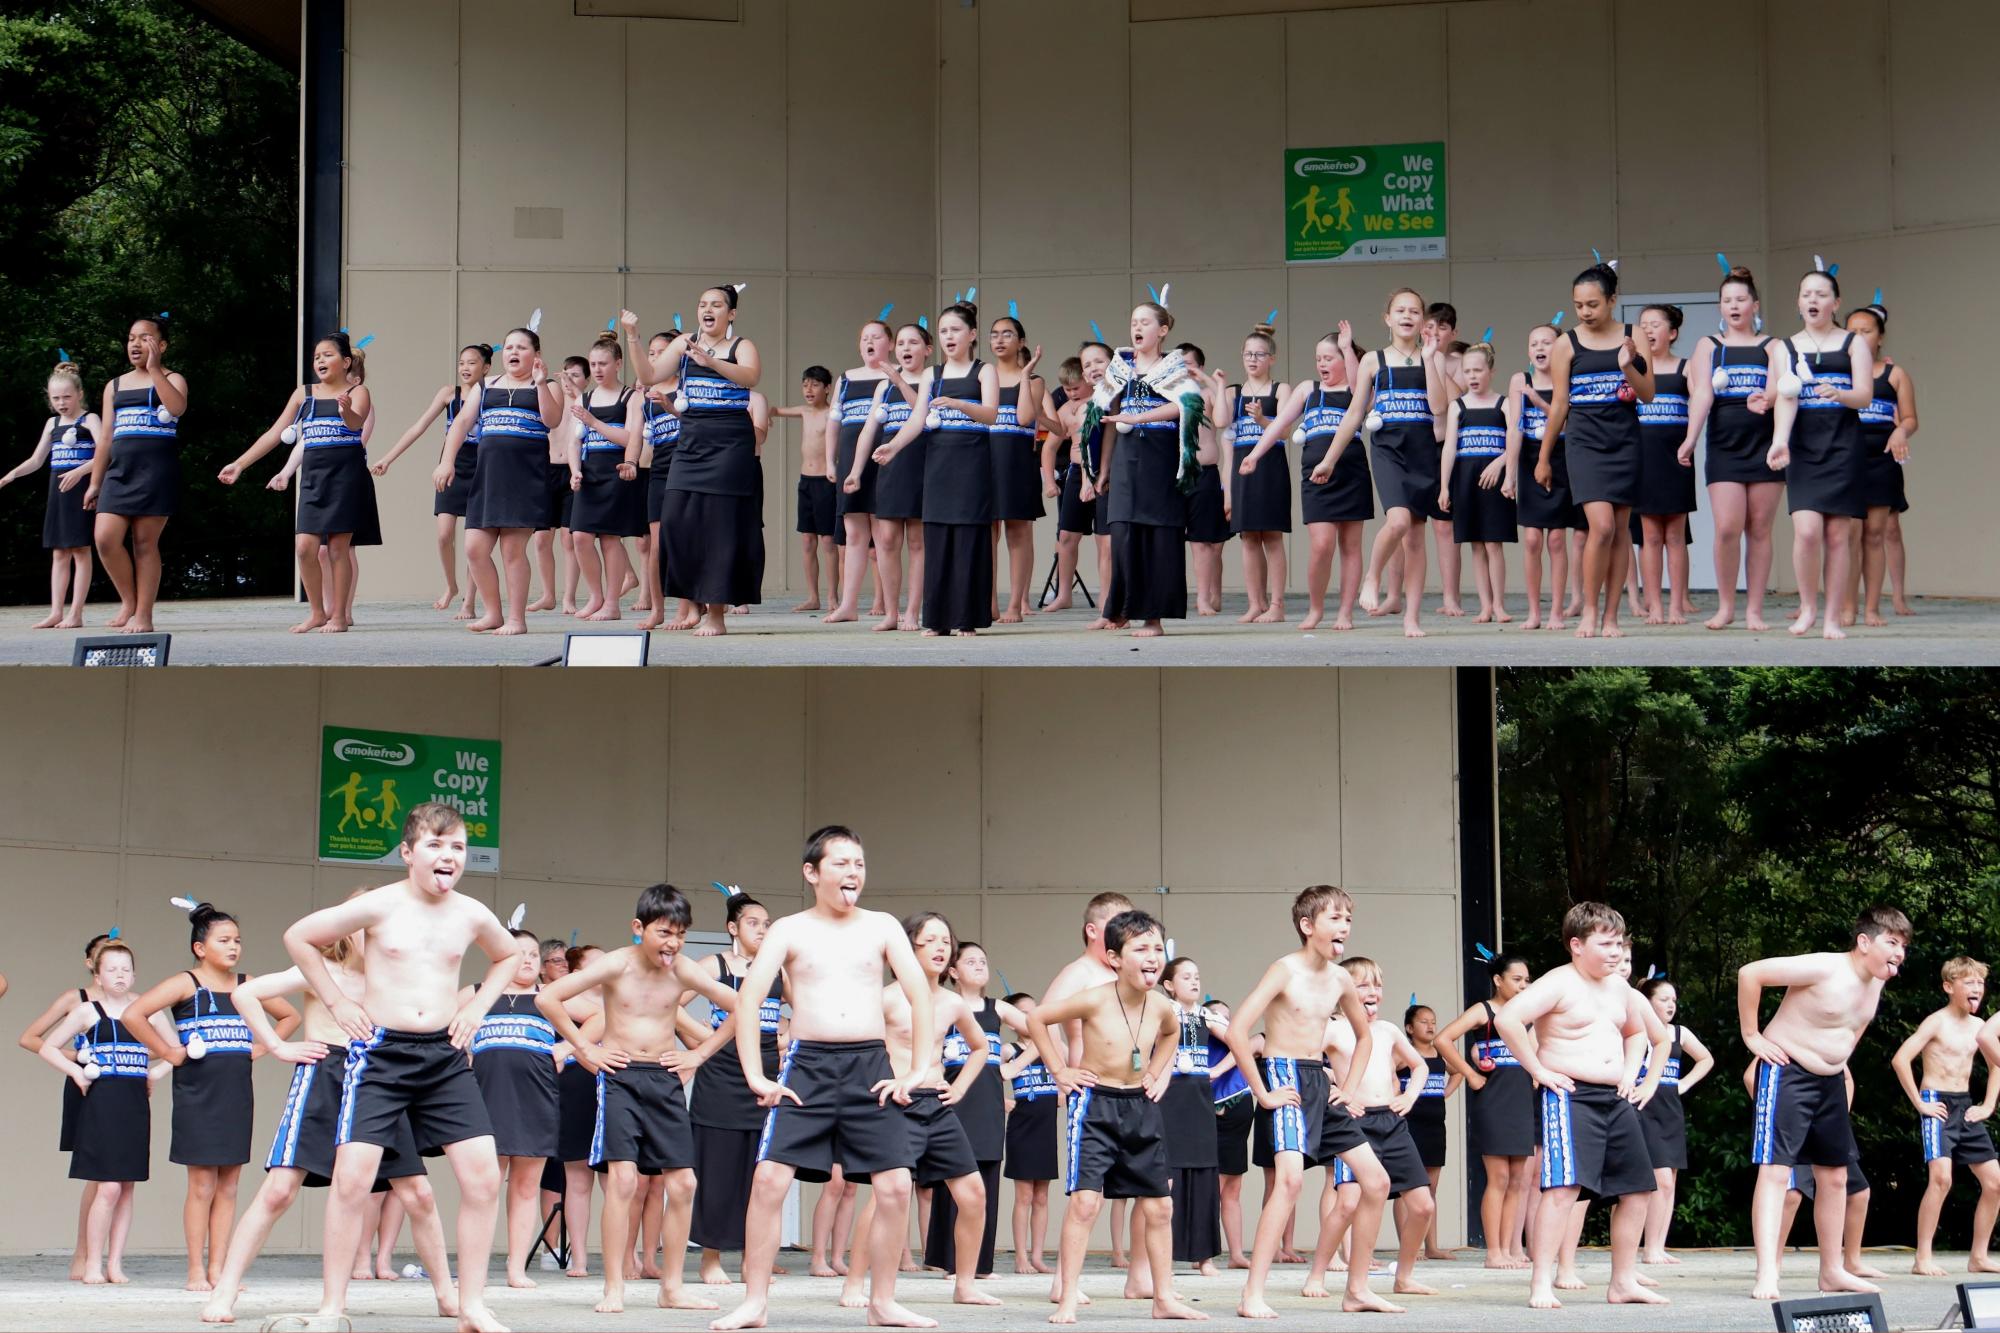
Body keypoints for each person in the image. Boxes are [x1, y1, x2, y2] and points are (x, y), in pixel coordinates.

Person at [281, 803, 522, 1333]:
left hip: (444, 1056)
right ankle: (330, 1307)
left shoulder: (472, 913)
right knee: (352, 1180)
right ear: (409, 853)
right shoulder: (380, 905)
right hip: (381, 1055)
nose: (448, 855)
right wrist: (339, 1004)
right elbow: (299, 936)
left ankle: (473, 1305)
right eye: (436, 845)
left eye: (458, 847)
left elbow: (507, 956)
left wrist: (476, 1009)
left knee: (482, 1177)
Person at [708, 826, 935, 1332]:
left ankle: (883, 1301)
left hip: (870, 1067)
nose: (853, 872)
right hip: (805, 1067)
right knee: (768, 1180)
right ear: (812, 873)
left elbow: (919, 994)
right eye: (841, 863)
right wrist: (755, 1074)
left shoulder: (881, 926)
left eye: (858, 863)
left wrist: (917, 1069)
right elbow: (749, 1001)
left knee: (896, 1185)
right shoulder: (789, 929)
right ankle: (755, 1302)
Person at [198, 899, 454, 1325]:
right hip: (323, 1077)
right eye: (365, 928)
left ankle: (447, 1294)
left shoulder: (391, 981)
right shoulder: (320, 971)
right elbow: (245, 993)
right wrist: (278, 1045)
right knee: (279, 1189)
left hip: (378, 1082)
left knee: (418, 1194)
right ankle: (225, 1291)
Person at [536, 885, 737, 1313]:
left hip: (664, 1078)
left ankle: (672, 1287)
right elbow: (548, 997)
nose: (673, 944)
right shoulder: (616, 965)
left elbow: (743, 1006)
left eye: (680, 934)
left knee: (684, 1182)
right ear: (638, 928)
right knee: (623, 1180)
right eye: (664, 933)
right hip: (622, 1077)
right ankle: (613, 1287)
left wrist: (699, 1054)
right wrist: (584, 1048)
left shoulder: (683, 969)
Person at [1224, 885, 1394, 1318]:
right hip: (1284, 1075)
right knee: (1290, 1182)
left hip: (1320, 1079)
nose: (1345, 927)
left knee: (1376, 1181)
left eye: (1348, 919)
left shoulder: (1340, 978)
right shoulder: (1283, 970)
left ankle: (1356, 1290)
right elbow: (1238, 1029)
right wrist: (1262, 1092)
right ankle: (1252, 1295)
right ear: (1307, 926)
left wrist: (1350, 1087)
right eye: (1335, 918)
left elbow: (1364, 1036)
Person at [1028, 909, 1204, 1324]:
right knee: (1086, 1203)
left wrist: (1159, 1073)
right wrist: (1060, 1070)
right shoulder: (1094, 997)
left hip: (1141, 1105)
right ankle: (1068, 1296)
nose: (1151, 956)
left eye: (1158, 948)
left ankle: (1164, 1298)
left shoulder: (1162, 1005)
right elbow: (1037, 1017)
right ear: (1113, 957)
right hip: (1094, 1104)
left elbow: (1171, 1035)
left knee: (1160, 1206)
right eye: (1140, 948)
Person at [1493, 904, 1668, 1310]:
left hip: (1616, 1096)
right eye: (1605, 944)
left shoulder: (1620, 988)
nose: (1614, 952)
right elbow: (1509, 1021)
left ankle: (1623, 1281)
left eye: (1618, 944)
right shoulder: (1560, 982)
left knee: (1638, 1188)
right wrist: (1537, 1068)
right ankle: (1541, 1282)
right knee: (1563, 1188)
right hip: (1569, 1094)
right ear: (1576, 945)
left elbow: (1640, 1033)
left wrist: (1636, 1075)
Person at [1741, 904, 1911, 1301]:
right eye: (1891, 941)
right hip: (1787, 1071)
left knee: (1835, 1176)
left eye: (1903, 944)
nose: (1899, 951)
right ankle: (1768, 1272)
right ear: (1864, 942)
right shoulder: (1824, 967)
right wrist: (1752, 1035)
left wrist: (1840, 1060)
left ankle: (1832, 1271)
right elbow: (1751, 974)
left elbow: (1855, 1025)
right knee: (1776, 1172)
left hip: (1831, 1081)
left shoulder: (1876, 981)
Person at [125, 904, 298, 1293]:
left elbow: (289, 1017)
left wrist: (261, 1047)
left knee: (230, 1184)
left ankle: (220, 1270)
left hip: (236, 1092)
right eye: (224, 940)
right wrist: (170, 1053)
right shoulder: (186, 983)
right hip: (198, 1093)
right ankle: (195, 1271)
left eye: (237, 940)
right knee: (201, 1184)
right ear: (200, 948)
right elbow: (134, 1014)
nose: (234, 947)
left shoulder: (247, 984)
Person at [840, 913, 1002, 1312]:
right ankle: (854, 1284)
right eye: (930, 940)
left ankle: (964, 1284)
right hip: (896, 1106)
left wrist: (959, 1086)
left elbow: (981, 1048)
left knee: (974, 1194)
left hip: (937, 1106)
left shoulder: (951, 1003)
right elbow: (855, 1047)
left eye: (945, 940)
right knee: (883, 1199)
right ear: (909, 948)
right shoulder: (888, 998)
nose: (940, 947)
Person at [1308, 290, 1446, 638]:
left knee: (1416, 538)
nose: (1407, 315)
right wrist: (1329, 459)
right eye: (1400, 310)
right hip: (1388, 450)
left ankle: (1412, 616)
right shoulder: (1373, 360)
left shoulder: (1434, 357)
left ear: (1422, 320)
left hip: (1422, 451)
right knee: (1397, 520)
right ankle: (1373, 576)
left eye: (1415, 310)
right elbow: (1355, 413)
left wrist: (1429, 359)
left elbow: (1439, 406)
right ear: (1387, 318)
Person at [219, 332, 376, 633]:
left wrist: (346, 411)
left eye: (328, 355)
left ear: (345, 362)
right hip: (314, 478)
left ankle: (340, 616)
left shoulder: (358, 392)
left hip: (346, 477)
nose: (320, 360)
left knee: (337, 550)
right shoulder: (303, 394)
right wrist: (240, 463)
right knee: (304, 548)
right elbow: (274, 433)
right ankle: (317, 612)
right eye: (317, 356)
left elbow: (356, 424)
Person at [37, 942, 174, 1286]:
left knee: (127, 1187)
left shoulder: (149, 1011)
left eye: (126, 969)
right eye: (111, 969)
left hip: (134, 1104)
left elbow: (175, 1051)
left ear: (135, 974)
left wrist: (154, 1074)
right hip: (101, 1104)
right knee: (109, 1187)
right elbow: (47, 1046)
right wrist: (76, 1073)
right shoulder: (87, 1012)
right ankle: (92, 1263)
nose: (119, 975)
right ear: (97, 975)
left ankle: (115, 1264)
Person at [633, 285, 764, 635]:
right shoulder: (684, 343)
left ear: (731, 314)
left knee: (719, 530)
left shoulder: (741, 346)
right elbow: (648, 376)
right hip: (690, 444)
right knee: (675, 521)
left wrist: (712, 362)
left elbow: (751, 377)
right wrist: (632, 339)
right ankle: (693, 600)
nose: (708, 309)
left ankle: (716, 616)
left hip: (730, 444)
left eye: (717, 305)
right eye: (703, 304)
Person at [1308, 956, 1437, 1300]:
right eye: (1362, 984)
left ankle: (1404, 1277)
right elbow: (1306, 1063)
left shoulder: (1388, 1029)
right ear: (1343, 991)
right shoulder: (1333, 1027)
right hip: (1354, 1124)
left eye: (1376, 985)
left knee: (1423, 1205)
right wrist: (1337, 1091)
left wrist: (1410, 1094)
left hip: (1391, 1123)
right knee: (1348, 1203)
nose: (1372, 991)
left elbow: (1420, 1065)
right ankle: (1317, 1274)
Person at [872, 301, 1001, 636]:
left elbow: (991, 414)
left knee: (969, 539)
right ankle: (938, 619)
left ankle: (966, 619)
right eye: (943, 331)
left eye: (955, 330)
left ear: (972, 334)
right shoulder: (933, 374)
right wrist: (894, 446)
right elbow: (917, 419)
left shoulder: (983, 371)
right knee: (939, 538)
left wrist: (959, 404)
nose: (948, 336)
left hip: (971, 464)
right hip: (939, 464)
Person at [1539, 264, 1654, 639]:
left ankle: (1611, 617)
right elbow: (1558, 405)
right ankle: (1588, 610)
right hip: (1584, 442)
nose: (1585, 312)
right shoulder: (1565, 344)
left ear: (1612, 301)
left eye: (1593, 304)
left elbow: (1648, 393)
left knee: (1620, 530)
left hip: (1626, 440)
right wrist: (1543, 458)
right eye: (1578, 305)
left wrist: (1628, 366)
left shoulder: (1633, 335)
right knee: (1600, 527)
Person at [1678, 265, 1792, 631]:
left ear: (1755, 305)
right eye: (1727, 300)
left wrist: (1769, 399)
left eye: (1741, 299)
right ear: (1720, 307)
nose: (1734, 305)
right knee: (1727, 527)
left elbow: (1782, 389)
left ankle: (1754, 610)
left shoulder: (1774, 346)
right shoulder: (1709, 346)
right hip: (1724, 447)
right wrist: (1691, 438)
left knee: (1759, 528)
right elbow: (1701, 394)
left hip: (1765, 447)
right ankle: (1726, 606)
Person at [433, 328, 563, 637]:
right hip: (488, 478)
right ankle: (493, 613)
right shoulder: (485, 384)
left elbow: (552, 420)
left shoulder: (548, 385)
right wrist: (447, 460)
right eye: (508, 347)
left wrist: (542, 383)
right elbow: (462, 423)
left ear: (536, 354)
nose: (513, 352)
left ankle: (516, 619)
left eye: (521, 347)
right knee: (475, 548)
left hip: (525, 478)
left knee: (512, 551)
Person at [688, 893, 787, 1285]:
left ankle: (752, 1260)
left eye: (767, 924)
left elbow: (809, 1009)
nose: (762, 929)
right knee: (716, 1169)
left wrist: (785, 1041)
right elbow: (673, 1002)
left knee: (759, 1170)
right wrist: (705, 1041)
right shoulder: (713, 965)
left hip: (763, 1074)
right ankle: (710, 1258)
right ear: (733, 928)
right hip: (720, 1076)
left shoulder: (779, 971)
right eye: (754, 923)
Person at [1772, 266, 1874, 639]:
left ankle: (1832, 617)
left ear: (1836, 303)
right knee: (1808, 531)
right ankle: (1808, 608)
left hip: (1843, 445)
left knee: (1837, 536)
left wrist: (1840, 394)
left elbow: (1865, 395)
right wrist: (1779, 439)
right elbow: (1784, 399)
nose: (1813, 300)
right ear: (1799, 302)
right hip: (1802, 447)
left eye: (1820, 294)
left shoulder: (1853, 343)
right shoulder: (1785, 347)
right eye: (1806, 294)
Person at [1243, 324, 1366, 631]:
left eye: (1329, 358)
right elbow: (1278, 423)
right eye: (1318, 359)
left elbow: (1356, 382)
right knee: (1322, 544)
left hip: (1351, 472)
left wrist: (1348, 347)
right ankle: (1316, 608)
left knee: (1351, 545)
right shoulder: (1307, 390)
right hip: (1316, 477)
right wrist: (1254, 454)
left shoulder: (1357, 389)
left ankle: (1345, 612)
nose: (1322, 364)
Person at [462, 927, 563, 1290]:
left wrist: (565, 1050)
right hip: (485, 1099)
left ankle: (516, 1268)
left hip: (536, 1099)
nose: (527, 959)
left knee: (524, 1187)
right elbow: (439, 1023)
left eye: (533, 955)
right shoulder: (476, 994)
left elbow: (602, 1015)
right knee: (484, 1186)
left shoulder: (550, 996)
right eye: (518, 953)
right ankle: (476, 1270)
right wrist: (463, 1052)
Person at [1890, 956, 2000, 1276]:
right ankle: (1922, 1257)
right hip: (1937, 1102)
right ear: (1949, 987)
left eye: (1980, 983)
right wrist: (1921, 1104)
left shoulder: (1981, 1028)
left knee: (1995, 1183)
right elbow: (1901, 1059)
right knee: (1941, 1178)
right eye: (1969, 982)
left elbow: (1996, 1067)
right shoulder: (1936, 1022)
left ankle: (1978, 1256)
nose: (1977, 988)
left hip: (1966, 1106)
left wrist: (1989, 1104)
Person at [926, 941, 1026, 1280]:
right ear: (953, 971)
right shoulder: (942, 1006)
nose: (980, 966)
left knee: (986, 1180)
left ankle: (981, 1265)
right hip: (949, 1100)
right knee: (952, 1178)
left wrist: (1011, 1068)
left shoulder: (997, 1009)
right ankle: (951, 1262)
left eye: (983, 960)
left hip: (987, 1104)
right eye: (971, 961)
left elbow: (1041, 1033)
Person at [17, 932, 113, 1281]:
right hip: (85, 1083)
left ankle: (103, 1258)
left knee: (114, 1179)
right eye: (105, 956)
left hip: (122, 1088)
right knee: (97, 1176)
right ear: (92, 963)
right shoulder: (77, 998)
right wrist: (78, 1058)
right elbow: (31, 1038)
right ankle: (84, 1256)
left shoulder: (131, 1000)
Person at [1096, 303, 1195, 638]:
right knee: (1121, 531)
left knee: (1159, 536)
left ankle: (1154, 618)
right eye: (1133, 322)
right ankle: (1122, 609)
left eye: (1145, 322)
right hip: (1126, 457)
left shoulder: (1174, 367)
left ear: (1162, 330)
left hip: (1160, 457)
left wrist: (1138, 418)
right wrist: (1104, 467)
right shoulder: (1120, 367)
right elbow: (1110, 418)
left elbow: (1186, 404)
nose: (1136, 328)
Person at [371, 343, 491, 617]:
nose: (465, 368)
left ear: (485, 368)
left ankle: (470, 602)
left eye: (472, 363)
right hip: (451, 465)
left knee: (476, 540)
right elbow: (418, 426)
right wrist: (389, 458)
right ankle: (451, 586)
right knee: (444, 534)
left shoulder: (491, 395)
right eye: (462, 362)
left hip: (483, 467)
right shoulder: (449, 394)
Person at [84, 315, 187, 633]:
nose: (135, 344)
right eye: (131, 338)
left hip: (156, 472)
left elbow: (178, 407)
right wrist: (95, 482)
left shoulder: (174, 377)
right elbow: (105, 439)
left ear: (162, 345)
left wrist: (155, 370)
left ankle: (144, 615)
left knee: (145, 543)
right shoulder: (114, 385)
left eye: (144, 338)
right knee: (104, 538)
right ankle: (129, 601)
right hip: (120, 473)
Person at [1434, 953, 1535, 1267]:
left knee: (1519, 1179)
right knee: (1499, 1177)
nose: (1523, 986)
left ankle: (1508, 1249)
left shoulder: (1528, 1015)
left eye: (1526, 980)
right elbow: (1443, 1039)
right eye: (1516, 979)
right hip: (1493, 1101)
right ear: (1498, 980)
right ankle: (1493, 1252)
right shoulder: (1484, 1010)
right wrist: (1471, 1074)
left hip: (1522, 1101)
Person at [0, 359, 101, 628]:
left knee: (81, 550)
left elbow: (106, 452)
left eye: (67, 396)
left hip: (81, 490)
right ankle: (56, 610)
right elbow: (36, 460)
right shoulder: (51, 423)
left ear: (80, 394)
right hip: (58, 491)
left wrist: (81, 472)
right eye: (56, 398)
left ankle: (76, 613)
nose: (62, 402)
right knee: (59, 552)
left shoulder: (90, 419)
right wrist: (11, 474)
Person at [1844, 304, 1918, 626]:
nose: (1859, 337)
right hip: (1846, 458)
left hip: (1882, 459)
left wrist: (1901, 430)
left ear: (1881, 337)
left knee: (1876, 533)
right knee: (1848, 536)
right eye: (1853, 331)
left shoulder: (1895, 374)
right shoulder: (1839, 372)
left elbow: (1911, 418)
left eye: (1867, 331)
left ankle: (1873, 607)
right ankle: (1848, 607)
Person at [854, 324, 928, 631]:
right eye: (902, 343)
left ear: (927, 349)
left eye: (914, 342)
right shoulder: (883, 387)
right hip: (889, 466)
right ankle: (890, 611)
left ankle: (913, 611)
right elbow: (869, 429)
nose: (906, 348)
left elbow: (920, 412)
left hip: (920, 464)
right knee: (885, 540)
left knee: (917, 541)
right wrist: (855, 471)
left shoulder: (931, 379)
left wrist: (898, 379)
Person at [1634, 975, 1713, 1266]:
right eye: (1664, 1000)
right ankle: (1648, 1248)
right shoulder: (1635, 1030)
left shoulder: (1679, 1033)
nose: (1671, 1005)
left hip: (1670, 1108)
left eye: (1674, 1001)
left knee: (1671, 1181)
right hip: (1644, 1106)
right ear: (1647, 1001)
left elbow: (1706, 1059)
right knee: (1660, 1179)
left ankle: (1657, 1245)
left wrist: (1684, 1084)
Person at [823, 319, 898, 624]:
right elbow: (834, 422)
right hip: (850, 461)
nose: (869, 341)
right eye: (864, 337)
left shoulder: (896, 376)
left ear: (889, 343)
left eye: (876, 336)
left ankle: (889, 606)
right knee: (853, 533)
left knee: (882, 533)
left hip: (884, 458)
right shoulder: (846, 378)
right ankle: (848, 605)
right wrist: (831, 461)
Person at [564, 334, 643, 622]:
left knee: (610, 539)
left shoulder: (631, 397)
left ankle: (612, 603)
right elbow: (574, 441)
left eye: (603, 364)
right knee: (580, 537)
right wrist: (574, 470)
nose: (597, 370)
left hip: (616, 471)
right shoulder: (585, 397)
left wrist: (595, 422)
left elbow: (631, 438)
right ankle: (595, 596)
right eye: (593, 364)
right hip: (589, 471)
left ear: (618, 363)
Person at [1437, 342, 1516, 624]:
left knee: (1494, 544)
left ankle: (1499, 604)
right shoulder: (1457, 406)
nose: (1472, 376)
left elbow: (1515, 441)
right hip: (1466, 480)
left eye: (1478, 370)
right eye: (1467, 371)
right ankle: (1485, 606)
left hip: (1494, 480)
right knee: (1477, 546)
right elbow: (1449, 448)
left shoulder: (1504, 404)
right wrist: (1445, 486)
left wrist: (1501, 464)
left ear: (1490, 372)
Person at [1159, 957, 1222, 1277]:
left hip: (1199, 1103)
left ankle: (1205, 1257)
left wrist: (1215, 1071)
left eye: (1197, 976)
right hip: (1168, 1101)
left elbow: (1241, 1042)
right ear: (1169, 984)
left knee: (1204, 1176)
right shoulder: (1160, 1011)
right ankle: (1161, 1257)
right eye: (1186, 977)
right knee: (1167, 1178)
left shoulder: (1206, 1016)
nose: (1194, 981)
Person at [1506, 324, 1572, 631]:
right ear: (1529, 351)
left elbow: (1568, 423)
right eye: (1534, 343)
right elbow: (1514, 429)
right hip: (1529, 460)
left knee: (1557, 540)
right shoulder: (1521, 380)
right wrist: (1510, 475)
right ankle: (1534, 612)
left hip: (1560, 460)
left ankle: (1556, 611)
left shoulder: (1565, 380)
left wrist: (1540, 402)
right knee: (1532, 539)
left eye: (1547, 342)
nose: (1540, 347)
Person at [1633, 305, 1696, 624]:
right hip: (1643, 462)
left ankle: (1675, 606)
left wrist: (1691, 441)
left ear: (1671, 333)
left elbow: (1701, 406)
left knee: (1675, 537)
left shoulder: (1687, 368)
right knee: (1650, 538)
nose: (1648, 330)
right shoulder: (1632, 371)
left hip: (1677, 459)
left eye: (1655, 325)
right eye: (1643, 325)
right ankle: (1654, 605)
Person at [1225, 325, 1290, 623]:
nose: (1253, 359)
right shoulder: (1234, 392)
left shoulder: (1281, 390)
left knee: (1272, 536)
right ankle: (1255, 603)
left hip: (1270, 465)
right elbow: (1221, 426)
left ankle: (1277, 604)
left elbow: (1285, 432)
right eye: (1248, 354)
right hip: (1241, 464)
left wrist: (1264, 419)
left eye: (1259, 354)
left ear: (1272, 358)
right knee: (1248, 536)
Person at [989, 314, 1047, 624]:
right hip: (985, 461)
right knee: (987, 533)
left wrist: (1024, 374)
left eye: (1007, 334)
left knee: (1018, 532)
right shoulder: (982, 377)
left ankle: (1014, 604)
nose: (999, 340)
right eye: (994, 334)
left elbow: (1025, 417)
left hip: (1018, 461)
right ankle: (989, 603)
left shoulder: (1035, 381)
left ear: (1021, 341)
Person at [770, 365, 838, 612]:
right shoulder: (804, 411)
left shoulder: (833, 413)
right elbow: (775, 409)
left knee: (828, 541)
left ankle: (832, 597)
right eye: (805, 384)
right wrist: (764, 413)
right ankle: (813, 597)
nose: (809, 389)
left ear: (827, 388)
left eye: (815, 384)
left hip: (826, 482)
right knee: (807, 541)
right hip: (805, 481)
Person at [1001, 992, 1058, 1275]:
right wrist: (1002, 1102)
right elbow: (988, 1074)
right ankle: (1020, 1257)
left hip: (1046, 1127)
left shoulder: (1050, 1047)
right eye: (1024, 1013)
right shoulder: (1010, 1049)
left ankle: (1037, 1256)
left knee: (1042, 1196)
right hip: (1023, 1127)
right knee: (1023, 1196)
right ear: (1012, 1021)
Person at [1399, 1003, 1459, 1260]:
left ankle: (1431, 1246)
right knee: (1408, 1189)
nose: (1430, 1025)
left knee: (1430, 1189)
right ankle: (1408, 1247)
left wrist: (1445, 1093)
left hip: (1435, 1126)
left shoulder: (1440, 1053)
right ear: (1410, 1028)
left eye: (1433, 1021)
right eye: (1423, 1021)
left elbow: (1459, 1072)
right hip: (1409, 1127)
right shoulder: (1403, 1053)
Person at [1205, 999, 1255, 1270]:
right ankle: (1205, 1254)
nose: (1224, 1020)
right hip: (1206, 1111)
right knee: (1211, 1187)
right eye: (1217, 1016)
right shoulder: (1199, 1036)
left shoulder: (1235, 1039)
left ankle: (1236, 1254)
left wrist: (1219, 1070)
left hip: (1238, 1109)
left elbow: (1242, 1050)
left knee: (1233, 1187)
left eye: (1228, 1015)